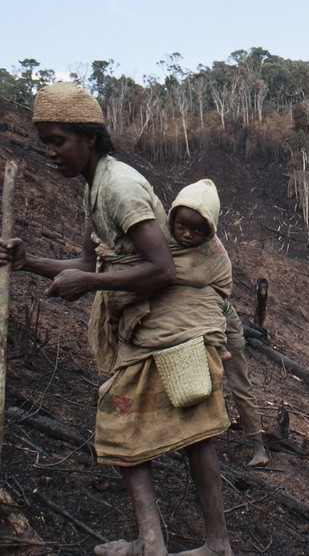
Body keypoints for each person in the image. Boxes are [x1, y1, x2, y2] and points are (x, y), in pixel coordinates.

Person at [0, 82, 233, 556]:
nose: (50, 152)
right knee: (153, 431)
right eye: (45, 141)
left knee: (176, 428)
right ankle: (166, 543)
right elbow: (90, 264)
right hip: (148, 330)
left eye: (58, 140)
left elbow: (161, 269)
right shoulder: (96, 189)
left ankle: (202, 544)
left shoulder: (120, 188)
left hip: (172, 327)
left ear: (89, 138)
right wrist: (28, 262)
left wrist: (87, 286)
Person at [168, 179, 270, 467]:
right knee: (190, 384)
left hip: (223, 324)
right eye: (182, 227)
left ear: (210, 228)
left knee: (239, 382)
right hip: (183, 326)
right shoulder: (161, 243)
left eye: (197, 230)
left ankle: (258, 446)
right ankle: (188, 439)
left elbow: (219, 296)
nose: (187, 235)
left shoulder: (216, 256)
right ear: (172, 218)